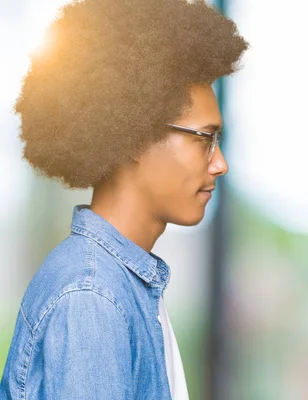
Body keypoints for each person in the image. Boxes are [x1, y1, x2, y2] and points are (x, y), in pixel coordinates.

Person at [0, 0, 248, 398]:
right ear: (136, 137)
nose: (220, 163)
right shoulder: (92, 298)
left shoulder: (117, 286)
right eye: (205, 139)